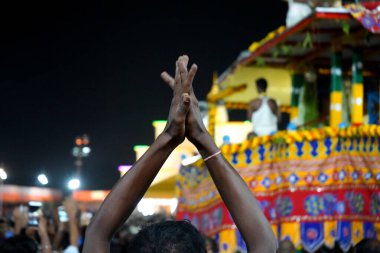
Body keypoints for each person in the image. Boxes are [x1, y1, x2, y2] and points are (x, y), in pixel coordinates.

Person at [83, 55, 277, 253]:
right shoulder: (270, 103)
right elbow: (264, 243)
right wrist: (201, 138)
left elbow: (97, 233)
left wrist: (168, 137)